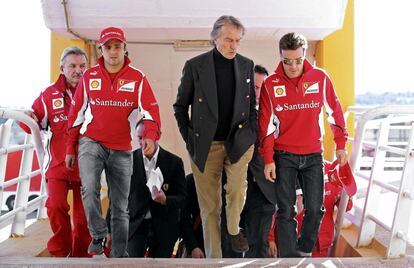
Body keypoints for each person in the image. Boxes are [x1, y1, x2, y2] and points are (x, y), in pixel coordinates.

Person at [66, 27, 161, 258]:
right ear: (101, 50)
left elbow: (151, 111)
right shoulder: (89, 77)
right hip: (92, 142)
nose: (113, 52)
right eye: (108, 47)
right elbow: (76, 113)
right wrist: (71, 146)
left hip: (121, 148)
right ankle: (98, 234)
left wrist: (150, 135)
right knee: (89, 188)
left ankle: (118, 256)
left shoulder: (137, 78)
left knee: (120, 207)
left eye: (117, 46)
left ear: (124, 49)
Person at [258, 32, 348, 257]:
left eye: (298, 60)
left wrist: (340, 144)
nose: (293, 66)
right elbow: (266, 126)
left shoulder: (320, 78)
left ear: (304, 55)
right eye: (287, 61)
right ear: (281, 57)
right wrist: (268, 159)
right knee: (286, 210)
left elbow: (334, 112)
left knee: (316, 209)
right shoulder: (271, 84)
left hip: (313, 155)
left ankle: (304, 250)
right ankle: (289, 259)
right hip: (284, 155)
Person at [173, 15, 256, 258]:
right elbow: (180, 107)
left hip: (238, 141)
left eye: (238, 40)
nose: (234, 46)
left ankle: (233, 228)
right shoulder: (195, 66)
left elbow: (252, 106)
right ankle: (214, 260)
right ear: (214, 38)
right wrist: (190, 140)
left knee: (237, 189)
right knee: (209, 208)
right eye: (229, 39)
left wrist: (252, 132)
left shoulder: (246, 64)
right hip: (205, 145)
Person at [19, 47, 91, 257]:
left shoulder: (95, 93)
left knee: (83, 217)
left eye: (82, 66)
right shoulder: (49, 95)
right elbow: (31, 123)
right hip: (58, 165)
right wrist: (29, 116)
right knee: (56, 206)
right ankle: (61, 252)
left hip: (87, 166)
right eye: (73, 66)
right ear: (62, 68)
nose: (78, 70)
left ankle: (80, 256)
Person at [107, 120, 187, 257]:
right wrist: (108, 229)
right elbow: (115, 198)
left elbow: (183, 198)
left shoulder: (174, 162)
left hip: (164, 226)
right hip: (135, 225)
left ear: (158, 135)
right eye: (139, 138)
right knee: (131, 263)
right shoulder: (126, 162)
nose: (143, 142)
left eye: (147, 137)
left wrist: (165, 199)